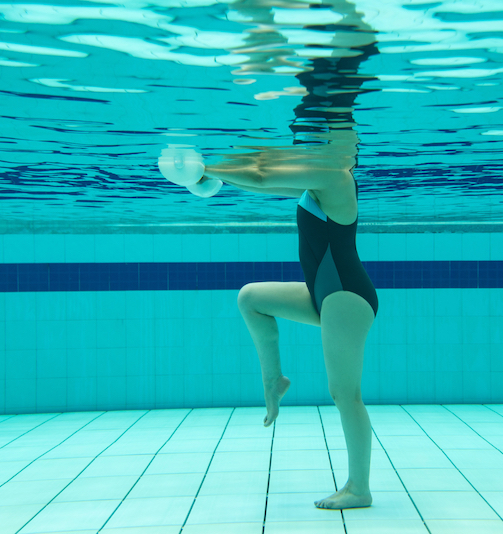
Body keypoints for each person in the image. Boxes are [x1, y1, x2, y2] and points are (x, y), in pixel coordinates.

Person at [159, 0, 380, 510]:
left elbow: (258, 177)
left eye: (344, 137)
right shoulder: (316, 166)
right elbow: (257, 159)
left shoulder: (335, 178)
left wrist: (204, 169)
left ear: (350, 148)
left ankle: (359, 488)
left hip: (346, 299)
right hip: (325, 294)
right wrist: (210, 170)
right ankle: (273, 379)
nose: (333, 141)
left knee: (344, 393)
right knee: (250, 298)